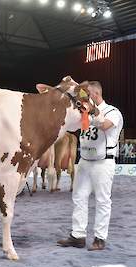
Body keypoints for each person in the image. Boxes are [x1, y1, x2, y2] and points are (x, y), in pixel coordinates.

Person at [57, 81, 123, 250]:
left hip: (103, 161)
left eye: (86, 94)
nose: (84, 97)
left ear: (95, 94)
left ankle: (100, 238)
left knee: (102, 200)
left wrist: (90, 116)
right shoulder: (84, 112)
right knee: (78, 197)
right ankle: (78, 236)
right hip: (85, 161)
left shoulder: (113, 111)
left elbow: (106, 125)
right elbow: (72, 126)